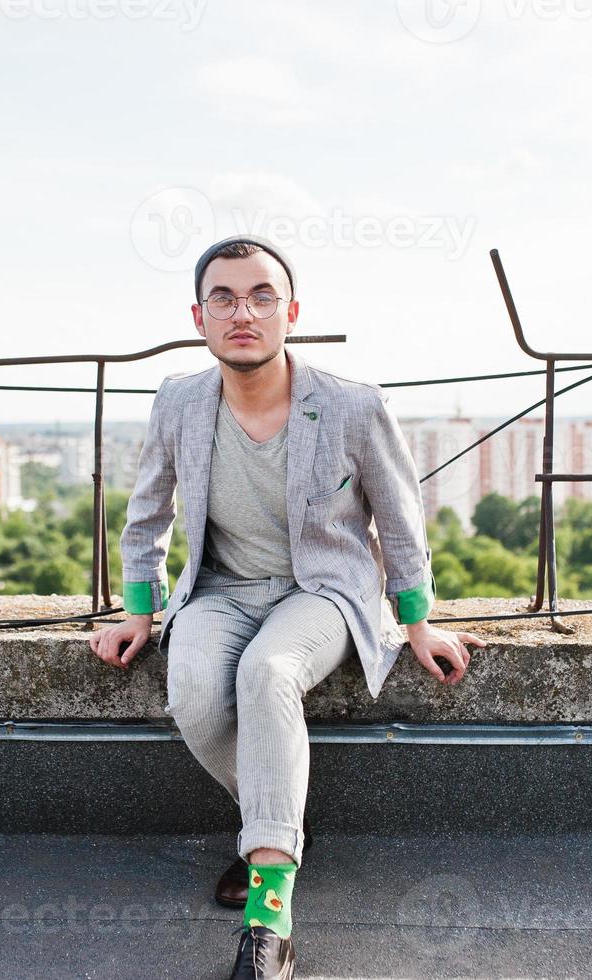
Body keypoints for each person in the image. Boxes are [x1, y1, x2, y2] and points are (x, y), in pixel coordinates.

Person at [88, 234, 487, 978]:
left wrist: (417, 621)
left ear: (291, 312)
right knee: (195, 694)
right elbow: (147, 515)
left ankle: (269, 913)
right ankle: (276, 825)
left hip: (321, 593)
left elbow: (400, 520)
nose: (243, 311)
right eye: (224, 297)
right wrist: (138, 611)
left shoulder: (350, 406)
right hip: (218, 590)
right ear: (199, 316)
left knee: (267, 674)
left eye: (261, 295)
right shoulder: (179, 400)